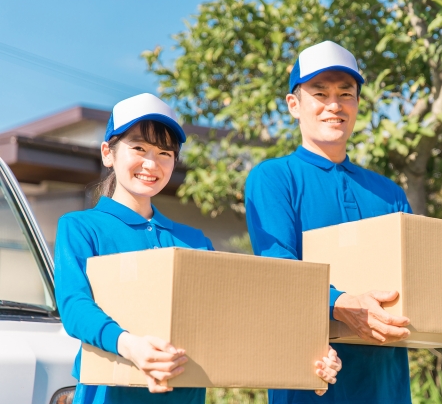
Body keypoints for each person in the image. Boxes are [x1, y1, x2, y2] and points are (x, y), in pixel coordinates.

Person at [245, 41, 442, 404]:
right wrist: (340, 303)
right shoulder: (272, 178)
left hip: (387, 390)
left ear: (358, 104)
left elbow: (426, 283)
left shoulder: (388, 193)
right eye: (320, 93)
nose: (334, 105)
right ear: (294, 105)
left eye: (346, 94)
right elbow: (276, 272)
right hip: (309, 388)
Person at [54, 93, 341, 404]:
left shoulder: (193, 241)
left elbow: (234, 318)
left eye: (165, 153)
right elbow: (74, 306)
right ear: (108, 152)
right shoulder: (81, 227)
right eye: (139, 148)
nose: (151, 163)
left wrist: (306, 356)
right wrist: (129, 345)